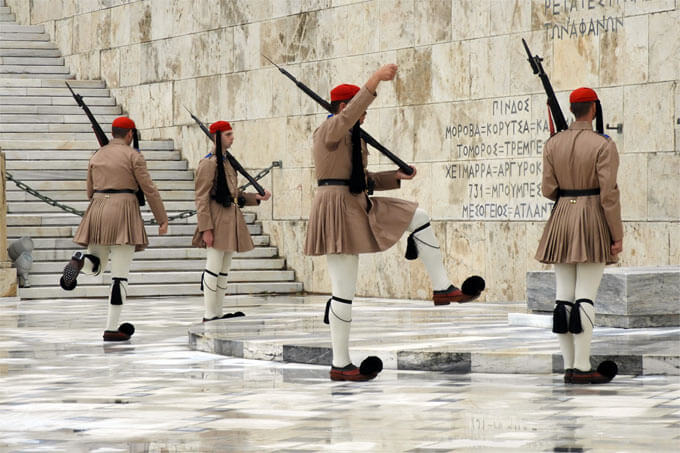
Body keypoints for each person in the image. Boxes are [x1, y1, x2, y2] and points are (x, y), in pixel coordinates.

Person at [304, 64, 485, 382]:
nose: (365, 116)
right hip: (336, 210)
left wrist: (395, 177)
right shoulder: (331, 128)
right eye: (360, 109)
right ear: (346, 107)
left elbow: (362, 178)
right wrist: (373, 80)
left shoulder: (348, 135)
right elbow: (348, 118)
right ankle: (341, 364)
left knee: (419, 217)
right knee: (343, 291)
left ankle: (443, 288)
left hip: (356, 202)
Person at [535, 87, 623, 384]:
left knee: (563, 298)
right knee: (585, 296)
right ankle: (583, 367)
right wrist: (616, 233)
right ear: (594, 110)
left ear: (572, 110)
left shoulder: (553, 143)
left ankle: (568, 366)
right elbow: (608, 194)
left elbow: (548, 190)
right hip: (591, 217)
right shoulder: (603, 144)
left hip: (561, 217)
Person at [61, 116, 169, 341]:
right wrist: (162, 218)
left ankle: (80, 261)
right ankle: (111, 328)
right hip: (124, 211)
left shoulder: (97, 154)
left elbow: (89, 191)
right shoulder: (134, 156)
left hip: (98, 209)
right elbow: (149, 189)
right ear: (130, 134)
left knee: (96, 265)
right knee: (119, 277)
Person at [192, 121, 271, 322]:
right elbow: (201, 198)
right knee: (213, 265)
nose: (232, 137)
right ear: (217, 137)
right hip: (217, 218)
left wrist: (256, 198)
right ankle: (209, 313)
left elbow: (233, 193)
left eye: (231, 134)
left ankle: (217, 311)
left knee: (224, 268)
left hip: (230, 217)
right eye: (228, 134)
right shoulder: (209, 163)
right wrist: (206, 228)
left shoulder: (227, 161)